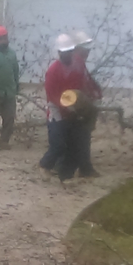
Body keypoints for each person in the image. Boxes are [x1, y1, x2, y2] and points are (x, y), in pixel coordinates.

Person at [39, 34, 89, 181]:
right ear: (60, 53)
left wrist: (82, 101)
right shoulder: (53, 71)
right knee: (59, 144)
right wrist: (65, 107)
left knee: (74, 145)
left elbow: (82, 83)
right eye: (65, 52)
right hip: (56, 111)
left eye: (70, 52)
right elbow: (52, 94)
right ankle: (45, 165)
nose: (67, 55)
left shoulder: (78, 64)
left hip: (75, 106)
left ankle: (66, 176)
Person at [70, 31, 103, 178]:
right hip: (79, 107)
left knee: (81, 136)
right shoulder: (76, 61)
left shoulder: (77, 61)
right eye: (86, 48)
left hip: (80, 105)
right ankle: (83, 168)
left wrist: (95, 91)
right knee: (81, 136)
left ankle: (82, 166)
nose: (89, 51)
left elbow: (86, 80)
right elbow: (79, 84)